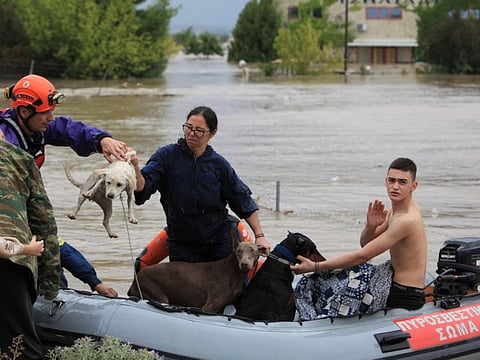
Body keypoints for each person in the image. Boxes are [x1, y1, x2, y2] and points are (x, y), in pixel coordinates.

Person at [1, 73, 123, 297]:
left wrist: (102, 140)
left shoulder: (37, 127)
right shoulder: (5, 138)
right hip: (8, 213)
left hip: (26, 204)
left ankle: (60, 293)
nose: (50, 117)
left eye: (52, 111)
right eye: (46, 112)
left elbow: (70, 130)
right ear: (25, 112)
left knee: (51, 251)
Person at [130, 105, 270, 263]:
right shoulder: (166, 157)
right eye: (188, 127)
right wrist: (135, 167)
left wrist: (260, 236)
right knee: (181, 286)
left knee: (227, 287)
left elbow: (242, 200)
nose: (191, 134)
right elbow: (143, 188)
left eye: (199, 130)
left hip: (219, 241)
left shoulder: (219, 165)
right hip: (181, 243)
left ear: (212, 133)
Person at [291, 157, 427, 319]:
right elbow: (366, 243)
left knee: (338, 292)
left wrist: (316, 266)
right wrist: (371, 226)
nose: (395, 186)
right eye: (392, 180)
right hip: (393, 284)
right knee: (331, 280)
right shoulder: (396, 212)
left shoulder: (407, 220)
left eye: (402, 182)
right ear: (386, 182)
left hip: (404, 294)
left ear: (414, 186)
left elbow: (363, 255)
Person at [0, 139, 61, 359]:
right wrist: (49, 283)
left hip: (12, 254)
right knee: (21, 345)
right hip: (14, 261)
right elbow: (44, 223)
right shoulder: (22, 160)